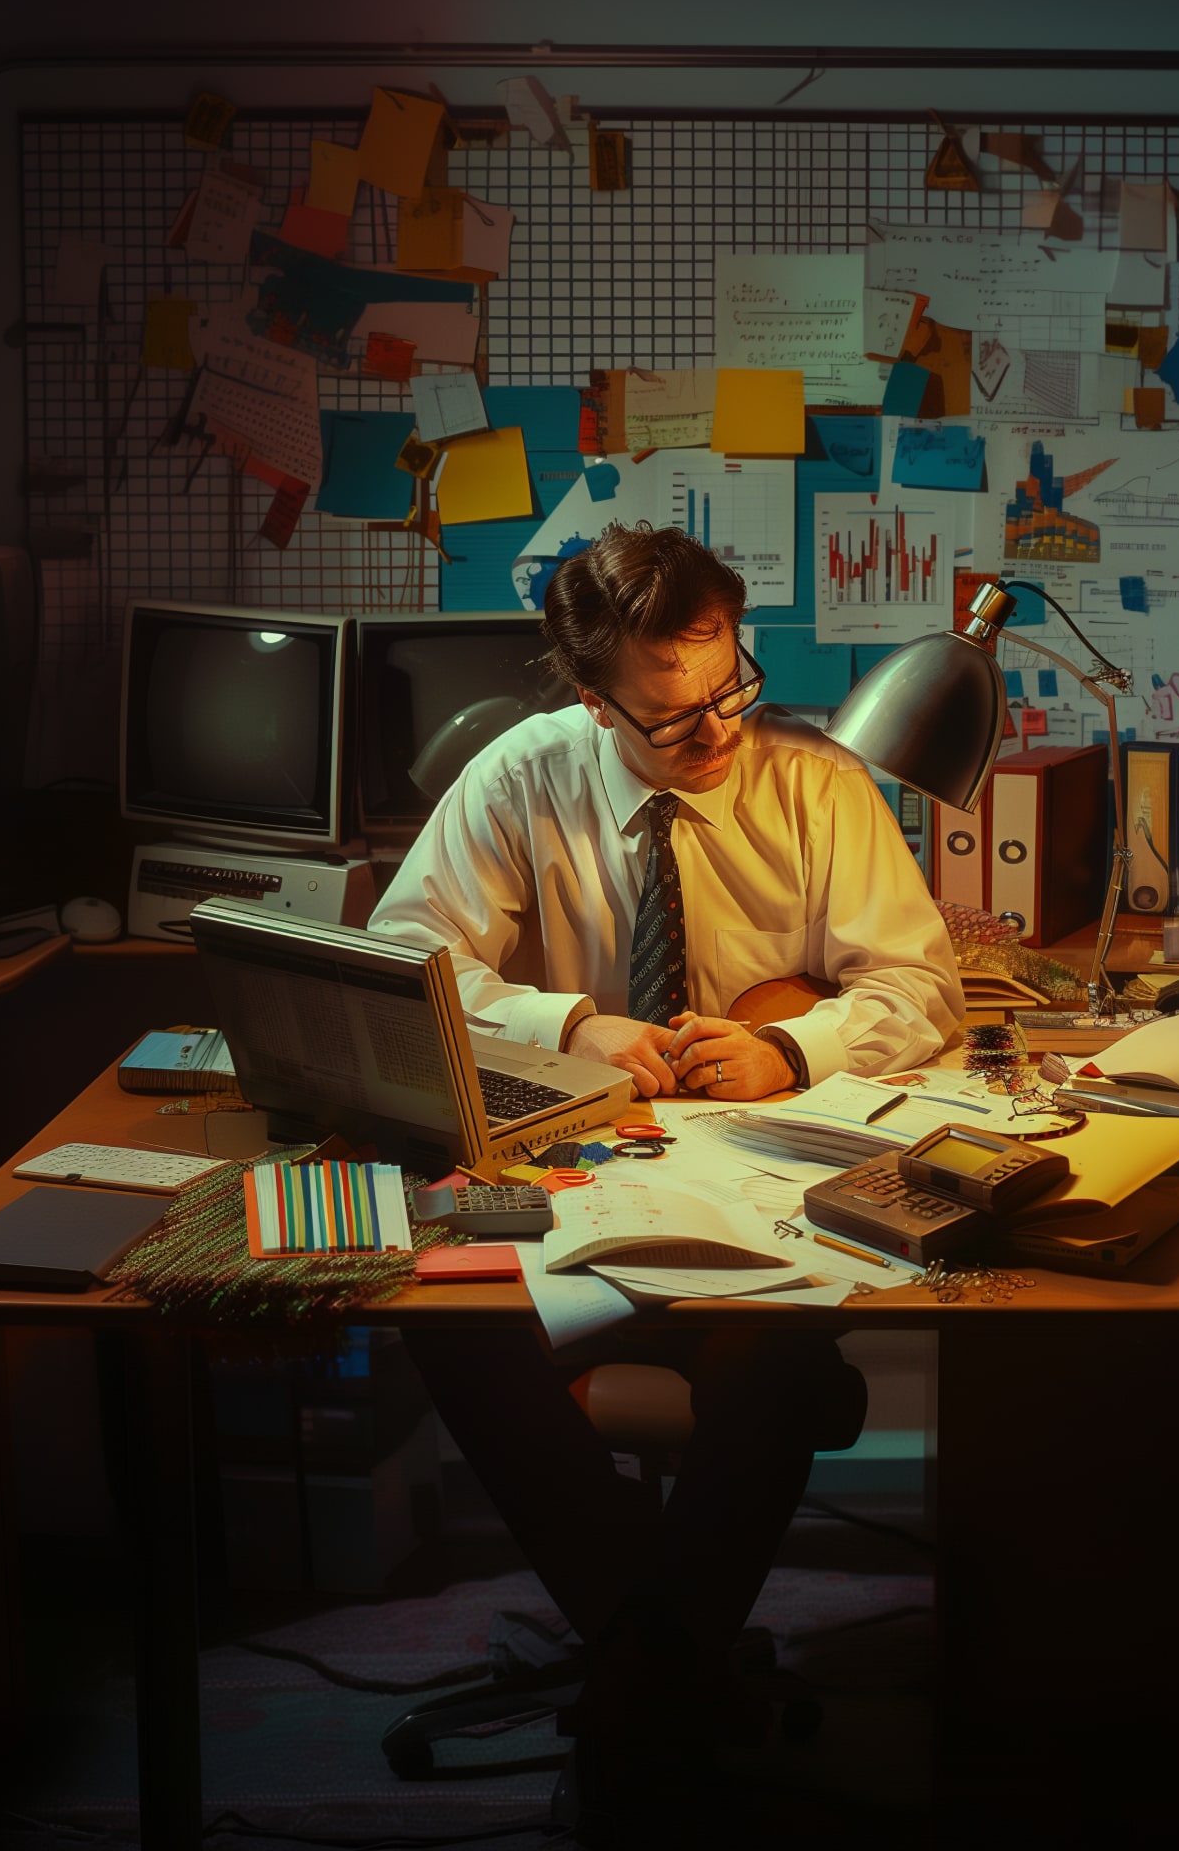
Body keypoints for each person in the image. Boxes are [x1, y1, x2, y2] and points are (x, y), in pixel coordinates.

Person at [368, 522, 962, 1825]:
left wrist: (790, 1043)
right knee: (445, 1327)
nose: (715, 729)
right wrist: (567, 1027)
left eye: (729, 686)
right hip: (575, 1182)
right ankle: (673, 1662)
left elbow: (924, 987)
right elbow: (406, 956)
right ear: (593, 700)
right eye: (671, 719)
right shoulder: (521, 775)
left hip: (763, 1192)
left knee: (782, 1353)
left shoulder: (817, 784)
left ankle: (639, 1675)